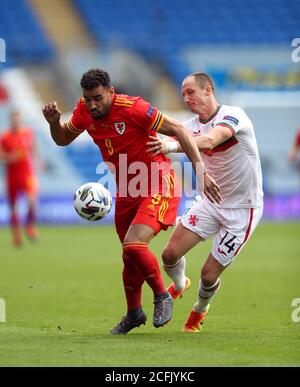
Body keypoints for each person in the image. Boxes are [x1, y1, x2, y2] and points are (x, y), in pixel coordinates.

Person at [42, 68, 221, 335]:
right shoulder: (83, 110)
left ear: (110, 92)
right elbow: (63, 139)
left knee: (134, 244)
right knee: (130, 256)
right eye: (88, 98)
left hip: (158, 182)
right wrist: (54, 123)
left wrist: (201, 174)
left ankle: (163, 295)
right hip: (127, 188)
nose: (92, 104)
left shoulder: (135, 108)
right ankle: (134, 313)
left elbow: (180, 130)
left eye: (98, 98)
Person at [147, 72, 264, 332]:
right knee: (169, 255)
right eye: (183, 95)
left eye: (191, 92)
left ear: (208, 90)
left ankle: (199, 310)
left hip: (242, 210)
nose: (186, 99)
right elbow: (184, 144)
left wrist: (170, 146)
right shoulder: (189, 127)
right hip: (210, 202)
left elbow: (211, 140)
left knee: (209, 275)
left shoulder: (234, 116)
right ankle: (179, 285)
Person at [0, 111, 41, 246]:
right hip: (12, 175)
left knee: (32, 202)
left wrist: (39, 161)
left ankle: (29, 225)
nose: (16, 122)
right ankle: (16, 235)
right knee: (13, 207)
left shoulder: (28, 134)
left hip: (27, 174)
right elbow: (1, 155)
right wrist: (9, 157)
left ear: (21, 120)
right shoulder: (5, 137)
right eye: (14, 120)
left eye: (18, 120)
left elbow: (34, 148)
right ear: (11, 120)